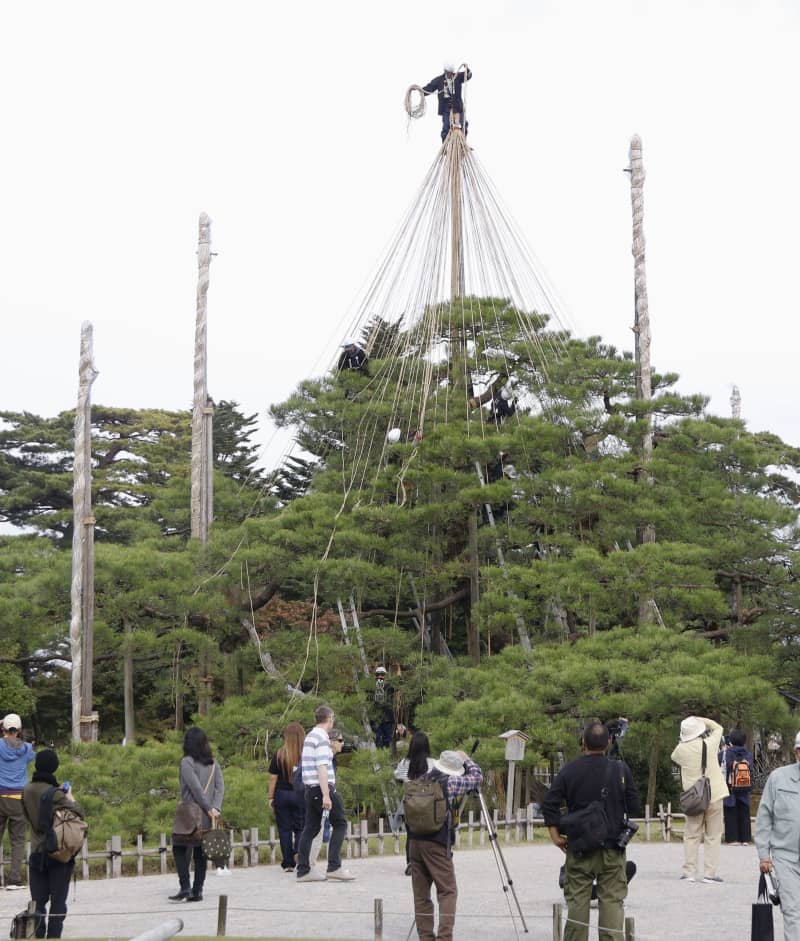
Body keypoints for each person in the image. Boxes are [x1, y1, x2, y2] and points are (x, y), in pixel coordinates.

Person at [542, 721, 641, 941]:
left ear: (583, 742)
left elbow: (549, 804)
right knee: (612, 902)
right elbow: (634, 807)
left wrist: (555, 835)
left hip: (579, 846)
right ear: (608, 743)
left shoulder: (570, 769)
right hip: (612, 848)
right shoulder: (619, 769)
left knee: (578, 901)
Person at [407, 746, 483, 941]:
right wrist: (467, 759)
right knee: (447, 891)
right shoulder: (450, 782)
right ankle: (444, 937)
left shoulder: (418, 780)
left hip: (415, 843)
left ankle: (425, 937)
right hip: (437, 844)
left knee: (421, 895)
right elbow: (477, 777)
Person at [21, 749, 85, 938]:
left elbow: (27, 817)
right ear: (54, 767)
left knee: (38, 902)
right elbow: (78, 814)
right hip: (57, 852)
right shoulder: (56, 793)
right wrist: (70, 796)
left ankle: (39, 936)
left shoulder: (26, 789)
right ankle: (54, 936)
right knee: (58, 902)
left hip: (36, 851)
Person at [295, 705, 355, 882]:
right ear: (329, 719)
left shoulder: (310, 735)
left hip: (310, 788)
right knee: (340, 823)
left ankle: (304, 869)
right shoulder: (321, 737)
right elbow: (322, 766)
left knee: (310, 828)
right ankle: (334, 866)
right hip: (322, 788)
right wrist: (326, 794)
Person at [670, 715, 728, 883]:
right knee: (713, 835)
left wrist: (684, 737)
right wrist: (701, 720)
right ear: (699, 731)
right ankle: (710, 873)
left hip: (694, 797)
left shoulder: (680, 750)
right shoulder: (709, 744)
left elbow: (674, 756)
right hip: (715, 794)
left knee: (692, 834)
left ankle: (689, 872)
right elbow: (718, 728)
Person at [169, 727, 224, 902]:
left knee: (178, 847)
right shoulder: (213, 763)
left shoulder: (187, 762)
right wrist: (215, 808)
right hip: (208, 816)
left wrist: (207, 807)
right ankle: (198, 890)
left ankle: (185, 886)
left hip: (190, 813)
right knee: (200, 852)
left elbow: (195, 789)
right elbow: (219, 787)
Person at [756, 730, 800, 940]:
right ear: (797, 753)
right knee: (792, 911)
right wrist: (764, 855)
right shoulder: (778, 778)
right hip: (786, 857)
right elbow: (764, 816)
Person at [0, 713, 35, 890]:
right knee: (18, 840)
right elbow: (30, 756)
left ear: (3, 729)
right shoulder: (27, 748)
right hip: (17, 798)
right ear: (19, 730)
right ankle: (13, 879)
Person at [268, 721, 306, 872]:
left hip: (281, 794)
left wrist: (270, 797)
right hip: (300, 794)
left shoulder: (279, 754)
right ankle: (298, 851)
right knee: (300, 827)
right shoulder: (305, 755)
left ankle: (288, 863)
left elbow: (273, 778)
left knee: (284, 829)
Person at [308, 729, 344, 868]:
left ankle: (309, 863)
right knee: (322, 828)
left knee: (318, 828)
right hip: (322, 794)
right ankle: (316, 864)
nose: (342, 743)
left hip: (322, 794)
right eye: (340, 740)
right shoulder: (325, 756)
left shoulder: (332, 758)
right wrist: (326, 795)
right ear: (331, 742)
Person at [422, 64, 473, 142]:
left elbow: (468, 75)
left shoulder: (457, 77)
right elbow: (430, 88)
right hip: (446, 107)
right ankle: (445, 145)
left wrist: (468, 70)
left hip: (457, 106)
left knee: (464, 124)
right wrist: (420, 91)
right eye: (449, 72)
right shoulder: (439, 80)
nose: (450, 74)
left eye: (452, 72)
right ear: (445, 71)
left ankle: (463, 143)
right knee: (446, 126)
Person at [722, 728, 753, 845]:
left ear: (731, 740)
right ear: (744, 741)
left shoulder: (728, 753)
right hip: (744, 786)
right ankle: (745, 839)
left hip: (731, 787)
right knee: (744, 813)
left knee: (731, 811)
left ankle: (732, 838)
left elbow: (726, 765)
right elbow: (751, 769)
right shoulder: (748, 754)